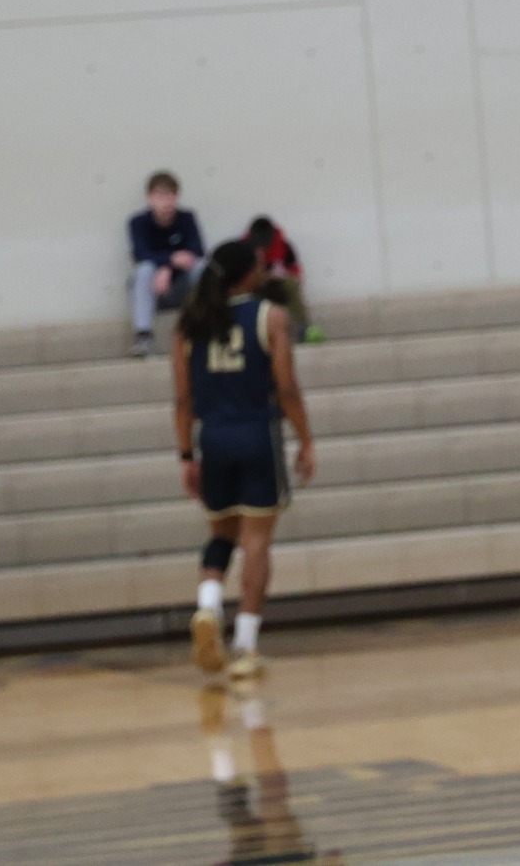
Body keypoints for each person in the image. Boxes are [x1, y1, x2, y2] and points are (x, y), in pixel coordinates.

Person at [174, 240, 316, 683]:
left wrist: (186, 455)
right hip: (256, 435)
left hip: (212, 438)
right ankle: (247, 646)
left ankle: (208, 607)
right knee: (257, 540)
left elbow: (182, 399)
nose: (264, 271)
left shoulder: (189, 326)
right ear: (245, 276)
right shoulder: (269, 316)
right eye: (258, 266)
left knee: (221, 534)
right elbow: (287, 388)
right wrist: (307, 440)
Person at [128, 171, 204, 356]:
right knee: (145, 269)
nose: (166, 202)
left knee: (201, 266)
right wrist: (169, 261)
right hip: (153, 290)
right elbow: (140, 254)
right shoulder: (138, 222)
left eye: (170, 195)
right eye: (160, 196)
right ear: (149, 198)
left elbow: (197, 250)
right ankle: (143, 337)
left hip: (181, 288)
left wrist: (168, 267)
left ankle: (207, 328)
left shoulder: (186, 218)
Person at [246, 216, 320, 343]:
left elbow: (296, 272)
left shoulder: (284, 246)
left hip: (278, 286)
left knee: (291, 284)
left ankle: (303, 328)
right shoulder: (245, 249)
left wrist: (282, 274)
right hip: (256, 288)